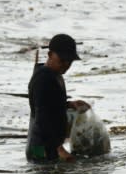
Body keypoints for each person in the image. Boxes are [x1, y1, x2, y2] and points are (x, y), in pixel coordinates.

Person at [26, 34, 90, 162]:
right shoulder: (44, 79)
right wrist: (58, 148)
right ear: (50, 55)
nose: (66, 64)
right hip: (40, 148)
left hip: (44, 145)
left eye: (69, 61)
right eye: (62, 60)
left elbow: (50, 105)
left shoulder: (54, 74)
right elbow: (42, 118)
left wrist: (69, 104)